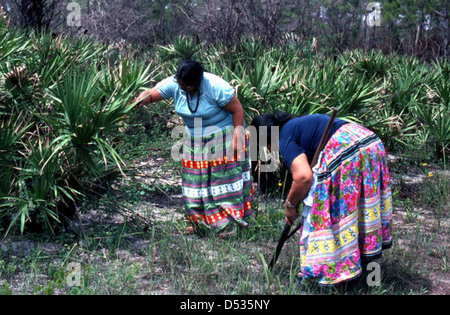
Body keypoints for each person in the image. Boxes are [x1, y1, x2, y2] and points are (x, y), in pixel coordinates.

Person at [251, 111, 393, 286]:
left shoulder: (284, 137)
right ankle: (363, 266)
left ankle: (322, 272)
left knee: (325, 212)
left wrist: (290, 205)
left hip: (347, 149)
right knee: (359, 208)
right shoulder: (297, 125)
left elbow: (303, 177)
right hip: (370, 143)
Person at [130, 60, 253, 234]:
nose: (183, 88)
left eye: (187, 86)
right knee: (195, 183)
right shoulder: (175, 84)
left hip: (222, 136)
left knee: (222, 182)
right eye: (180, 84)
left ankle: (227, 225)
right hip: (195, 139)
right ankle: (199, 223)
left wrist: (237, 139)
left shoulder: (215, 86)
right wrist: (141, 99)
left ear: (197, 82)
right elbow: (151, 94)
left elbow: (237, 110)